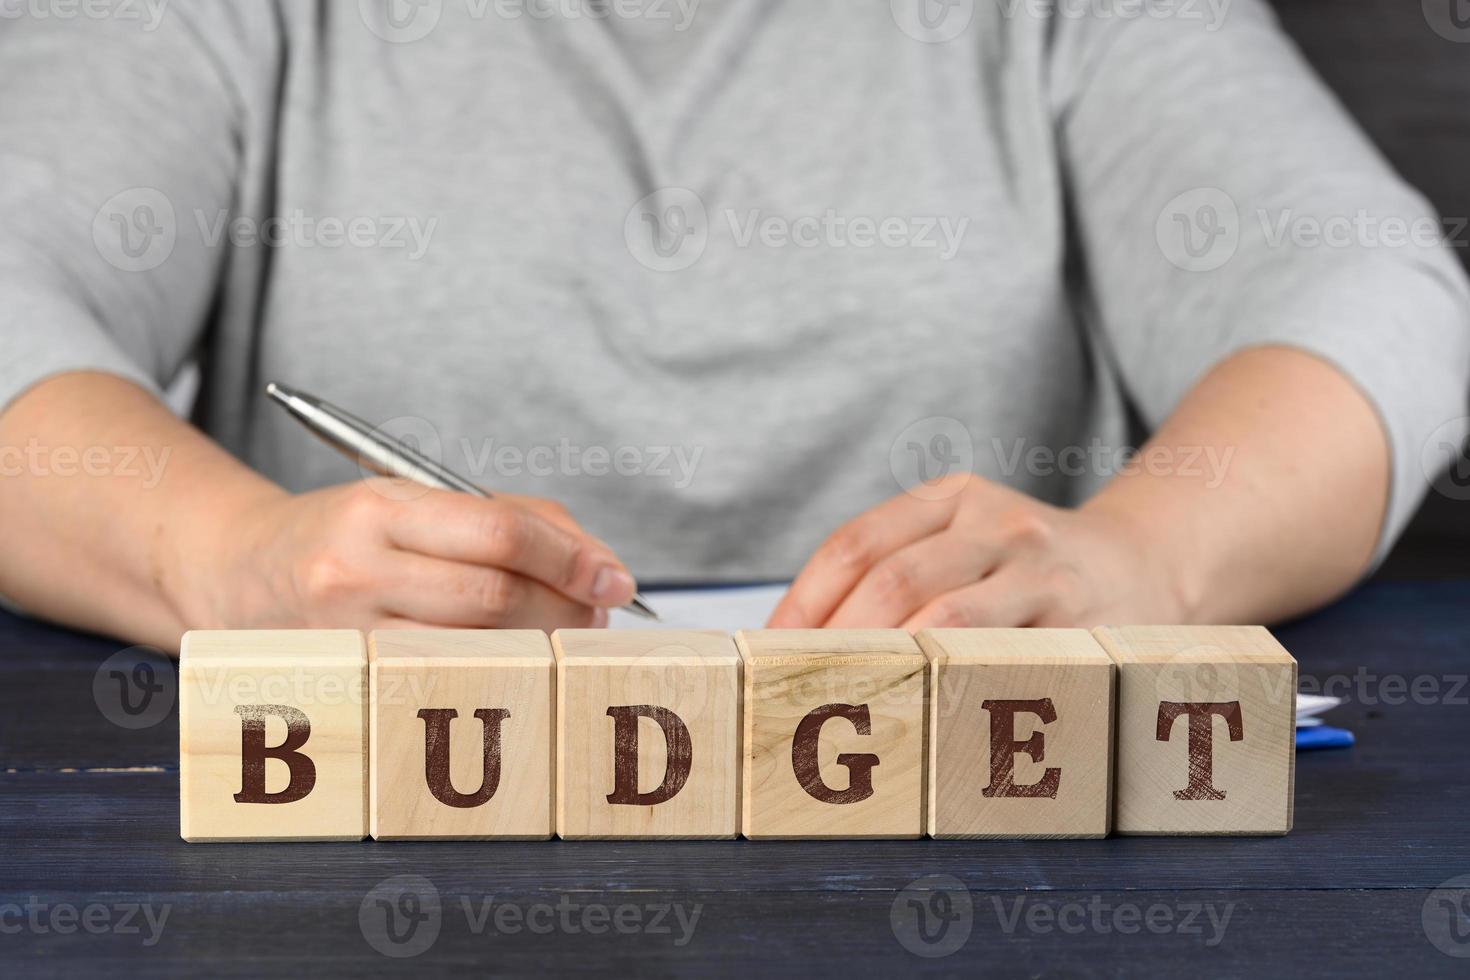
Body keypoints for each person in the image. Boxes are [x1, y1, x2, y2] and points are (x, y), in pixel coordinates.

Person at [0, 0, 1466, 652]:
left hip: (971, 834)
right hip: (371, 840)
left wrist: (1142, 558)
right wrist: (230, 561)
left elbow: (1372, 291)